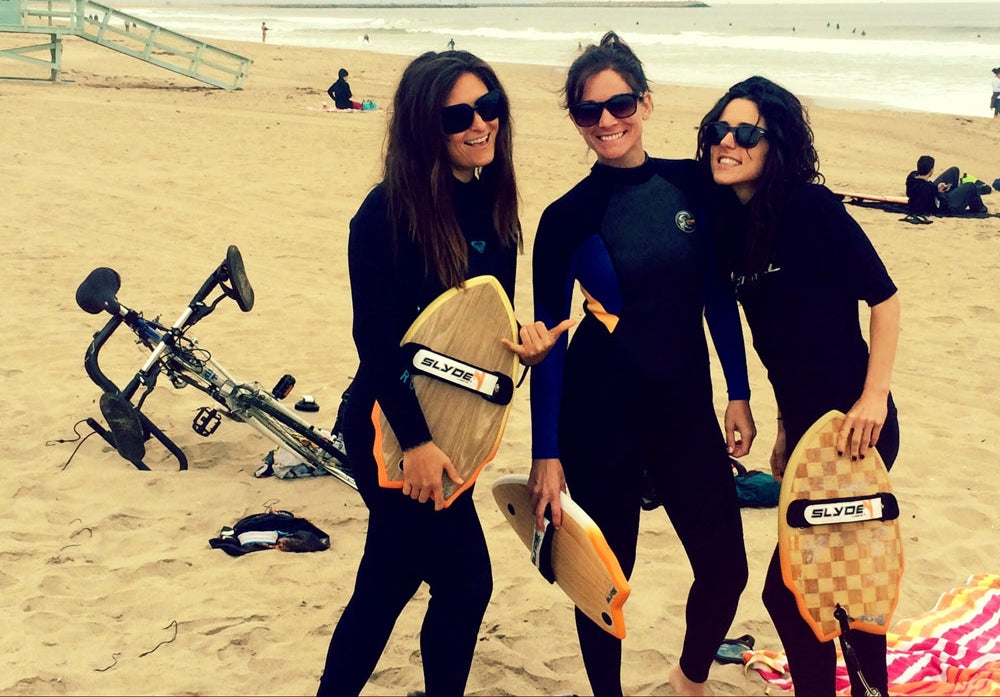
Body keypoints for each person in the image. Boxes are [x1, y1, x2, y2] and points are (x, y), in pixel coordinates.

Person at [316, 49, 570, 697]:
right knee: (460, 581)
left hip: (454, 427)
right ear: (424, 125)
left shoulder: (495, 206)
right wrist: (418, 445)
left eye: (490, 108)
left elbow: (477, 322)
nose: (480, 124)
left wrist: (525, 345)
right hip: (388, 431)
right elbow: (377, 340)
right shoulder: (384, 216)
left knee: (392, 581)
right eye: (460, 115)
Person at [527, 31, 755, 697]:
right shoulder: (566, 217)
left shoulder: (692, 184)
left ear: (646, 103)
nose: (606, 122)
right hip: (600, 414)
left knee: (726, 567)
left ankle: (688, 679)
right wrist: (546, 452)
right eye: (588, 111)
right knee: (604, 579)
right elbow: (553, 340)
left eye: (619, 104)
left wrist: (738, 393)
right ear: (574, 119)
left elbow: (715, 292)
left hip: (685, 407)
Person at [696, 75, 901, 697]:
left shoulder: (812, 210)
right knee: (819, 589)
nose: (727, 142)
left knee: (812, 591)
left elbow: (885, 300)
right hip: (808, 433)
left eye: (746, 133)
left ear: (774, 142)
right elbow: (786, 348)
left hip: (855, 431)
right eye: (718, 131)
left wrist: (871, 399)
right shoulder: (733, 224)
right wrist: (785, 429)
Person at [905, 154, 988, 216]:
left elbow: (924, 188)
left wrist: (936, 189)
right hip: (945, 206)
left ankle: (954, 194)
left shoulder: (912, 176)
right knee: (970, 186)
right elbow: (929, 206)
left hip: (934, 194)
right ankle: (979, 208)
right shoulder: (925, 188)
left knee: (954, 170)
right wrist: (939, 193)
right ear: (931, 170)